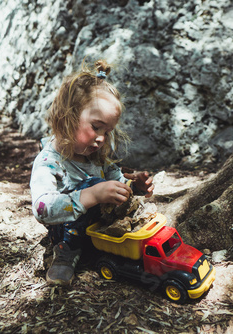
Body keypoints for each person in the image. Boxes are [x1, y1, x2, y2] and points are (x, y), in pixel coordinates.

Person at [30, 59, 154, 285]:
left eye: (107, 131)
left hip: (100, 227)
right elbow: (42, 209)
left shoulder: (97, 157)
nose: (101, 138)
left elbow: (117, 184)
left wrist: (134, 187)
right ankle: (65, 255)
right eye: (96, 127)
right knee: (92, 184)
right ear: (69, 116)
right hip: (66, 233)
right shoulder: (49, 162)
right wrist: (93, 195)